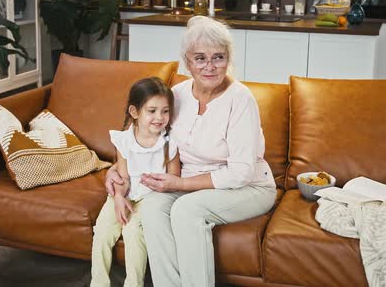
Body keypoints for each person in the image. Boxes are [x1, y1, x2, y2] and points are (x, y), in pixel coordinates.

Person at [106, 15, 277, 287]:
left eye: (218, 57)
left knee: (187, 209)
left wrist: (182, 183)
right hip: (189, 184)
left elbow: (241, 173)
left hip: (249, 187)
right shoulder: (178, 93)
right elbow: (143, 137)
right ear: (188, 62)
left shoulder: (241, 99)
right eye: (200, 58)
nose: (209, 66)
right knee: (151, 206)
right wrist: (115, 172)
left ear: (228, 59)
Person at [91, 77, 180, 287]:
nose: (160, 117)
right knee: (102, 232)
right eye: (152, 111)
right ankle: (98, 283)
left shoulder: (169, 144)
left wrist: (161, 185)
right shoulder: (124, 141)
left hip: (151, 201)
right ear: (134, 112)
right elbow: (122, 177)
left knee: (132, 234)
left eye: (165, 111)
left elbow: (174, 181)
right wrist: (119, 198)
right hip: (124, 194)